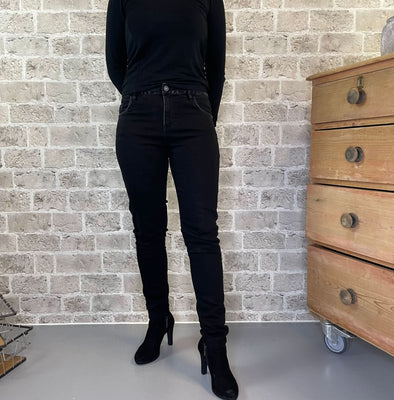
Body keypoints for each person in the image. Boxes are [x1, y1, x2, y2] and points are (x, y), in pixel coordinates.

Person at [105, 0, 238, 399]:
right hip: (138, 117)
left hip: (193, 116)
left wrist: (202, 113)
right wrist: (141, 94)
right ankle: (158, 320)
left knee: (202, 234)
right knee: (148, 231)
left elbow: (216, 66)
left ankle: (214, 345)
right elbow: (115, 62)